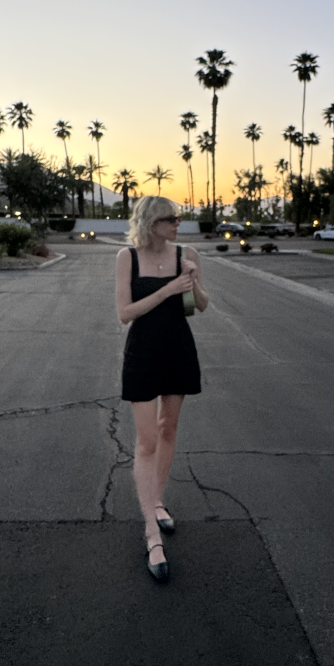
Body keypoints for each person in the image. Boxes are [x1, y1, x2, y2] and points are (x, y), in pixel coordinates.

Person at [115, 196, 210, 582]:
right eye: (172, 219)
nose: (178, 224)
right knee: (147, 441)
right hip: (143, 352)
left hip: (178, 349)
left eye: (179, 218)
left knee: (169, 429)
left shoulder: (187, 253)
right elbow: (124, 313)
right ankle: (151, 534)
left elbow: (200, 306)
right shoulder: (128, 258)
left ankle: (157, 501)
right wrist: (169, 289)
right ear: (152, 222)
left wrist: (195, 283)